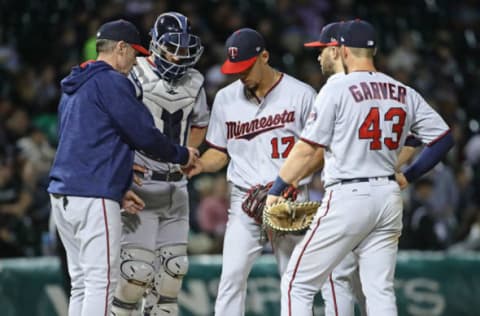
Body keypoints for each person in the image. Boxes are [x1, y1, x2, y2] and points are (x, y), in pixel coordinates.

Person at [266, 19, 454, 316]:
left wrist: (277, 188)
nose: (321, 56)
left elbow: (307, 149)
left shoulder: (336, 88)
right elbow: (443, 139)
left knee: (296, 283)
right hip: (388, 198)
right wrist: (408, 175)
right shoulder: (402, 91)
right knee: (379, 290)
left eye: (326, 50)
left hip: (348, 195)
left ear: (341, 50)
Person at [47, 19, 198, 316]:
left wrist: (120, 183)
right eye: (134, 53)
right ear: (121, 48)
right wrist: (181, 154)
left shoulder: (75, 83)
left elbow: (85, 141)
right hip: (92, 195)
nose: (136, 60)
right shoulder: (113, 81)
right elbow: (144, 134)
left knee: (81, 283)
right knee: (102, 282)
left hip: (63, 195)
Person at [185, 28, 317, 315]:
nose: (240, 74)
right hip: (245, 201)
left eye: (245, 67)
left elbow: (318, 150)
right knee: (231, 277)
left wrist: (292, 181)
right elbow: (220, 151)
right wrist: (201, 165)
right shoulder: (225, 98)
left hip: (289, 199)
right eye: (235, 68)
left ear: (265, 56)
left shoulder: (302, 95)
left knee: (295, 279)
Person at [110, 12, 209, 316]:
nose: (179, 56)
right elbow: (115, 123)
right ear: (155, 44)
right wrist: (122, 163)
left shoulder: (195, 81)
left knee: (172, 274)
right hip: (141, 183)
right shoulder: (134, 73)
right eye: (172, 48)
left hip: (175, 185)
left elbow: (200, 123)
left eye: (183, 49)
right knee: (135, 274)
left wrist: (189, 152)